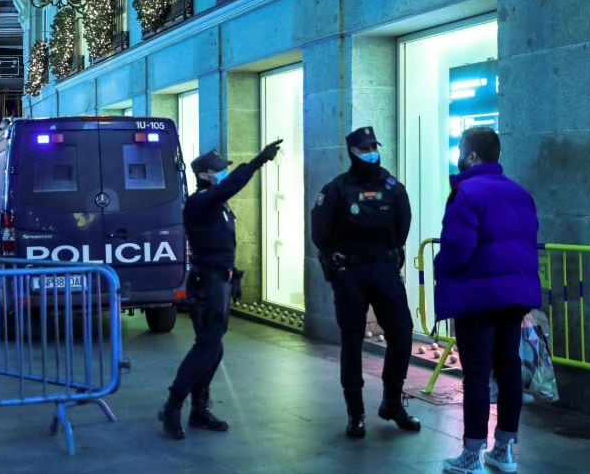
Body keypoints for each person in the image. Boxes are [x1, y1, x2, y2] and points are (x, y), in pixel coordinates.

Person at [158, 140, 283, 440]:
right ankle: (173, 406)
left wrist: (233, 277)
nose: (223, 175)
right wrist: (257, 162)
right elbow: (227, 189)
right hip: (208, 284)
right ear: (205, 176)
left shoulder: (217, 205)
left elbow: (220, 244)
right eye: (219, 171)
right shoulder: (200, 202)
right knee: (207, 346)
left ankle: (199, 409)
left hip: (219, 283)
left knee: (213, 348)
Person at [436, 127, 540, 474]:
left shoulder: (466, 192)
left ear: (472, 156)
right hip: (513, 297)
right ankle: (505, 450)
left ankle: (471, 455)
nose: (459, 157)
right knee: (509, 367)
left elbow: (456, 249)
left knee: (477, 374)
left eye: (461, 151)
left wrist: (441, 269)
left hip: (477, 297)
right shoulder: (520, 193)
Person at [311, 125, 420, 439]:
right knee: (352, 340)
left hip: (384, 268)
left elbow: (402, 228)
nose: (372, 153)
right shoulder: (336, 189)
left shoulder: (393, 188)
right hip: (351, 273)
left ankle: (392, 403)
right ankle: (355, 412)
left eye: (374, 146)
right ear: (352, 153)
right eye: (365, 149)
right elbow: (320, 233)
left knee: (401, 333)